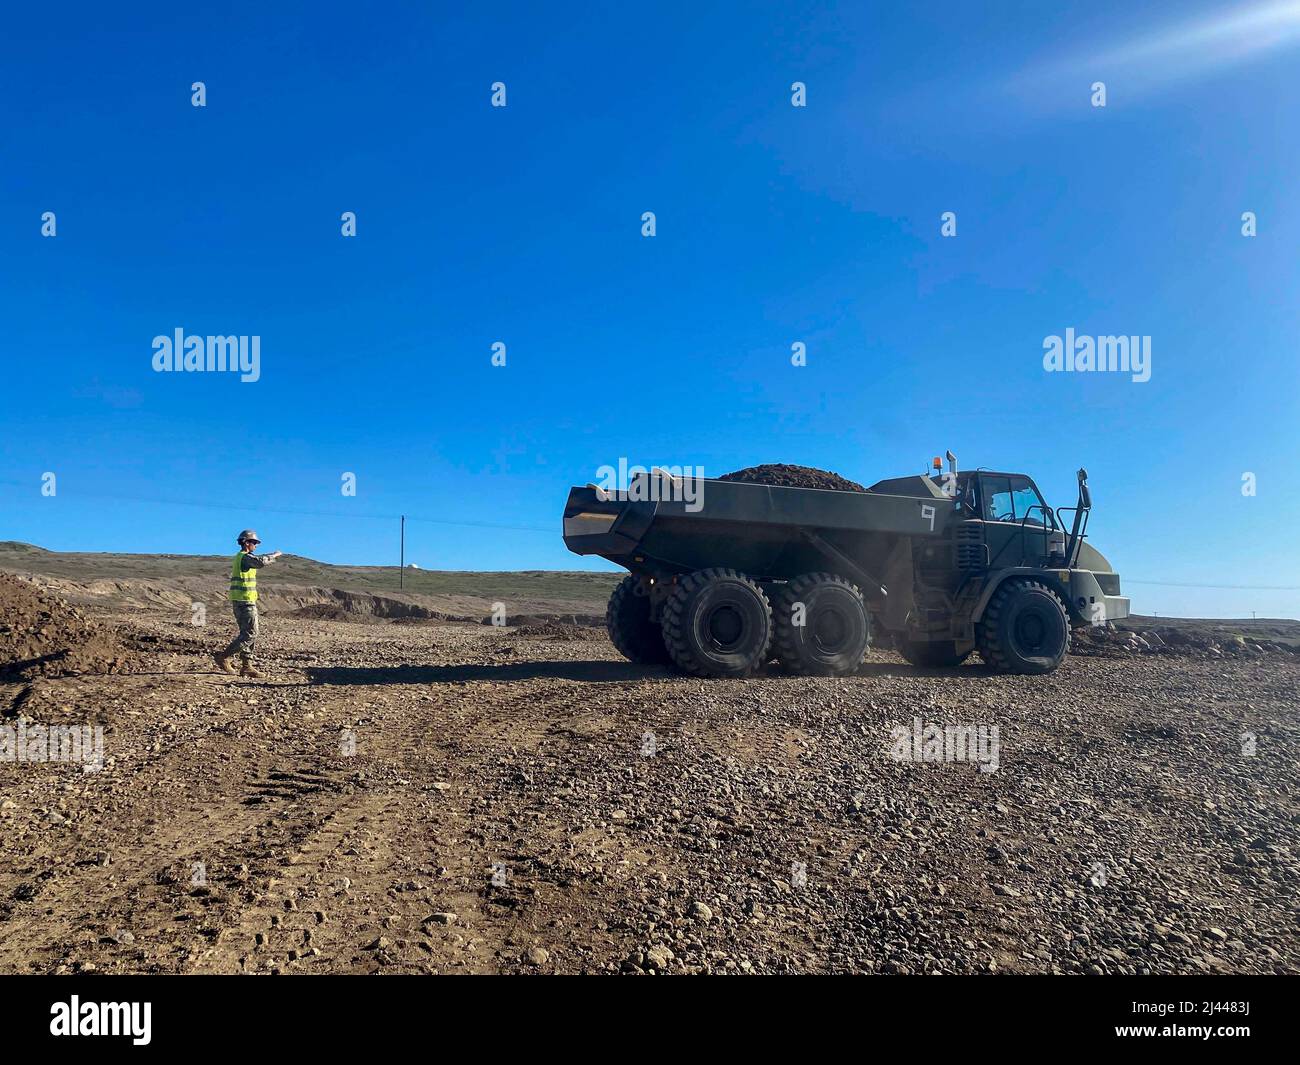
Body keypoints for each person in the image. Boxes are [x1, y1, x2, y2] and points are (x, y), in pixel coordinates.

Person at [214, 529, 282, 679]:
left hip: (243, 600)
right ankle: (224, 657)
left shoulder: (241, 558)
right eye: (254, 542)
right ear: (246, 542)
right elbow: (260, 562)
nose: (256, 545)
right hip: (244, 601)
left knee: (248, 633)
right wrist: (275, 555)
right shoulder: (245, 558)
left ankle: (247, 666)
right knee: (251, 633)